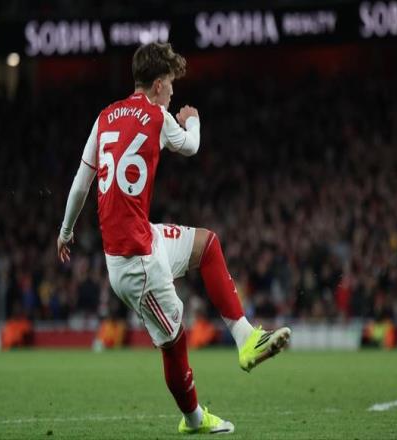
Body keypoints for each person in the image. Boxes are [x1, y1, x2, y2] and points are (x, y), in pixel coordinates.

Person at [57, 42, 291, 435]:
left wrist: (65, 232)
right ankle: (194, 420)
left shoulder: (105, 116)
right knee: (174, 341)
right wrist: (193, 119)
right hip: (135, 263)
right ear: (158, 84)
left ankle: (246, 338)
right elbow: (193, 145)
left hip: (143, 238)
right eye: (171, 85)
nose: (173, 92)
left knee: (207, 245)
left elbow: (82, 183)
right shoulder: (158, 116)